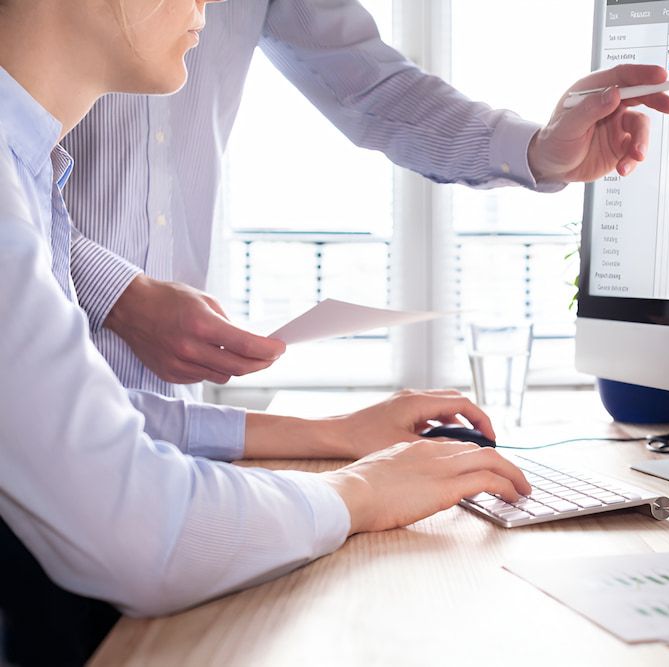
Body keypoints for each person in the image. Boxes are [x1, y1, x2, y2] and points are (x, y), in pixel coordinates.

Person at [0, 1, 533, 663]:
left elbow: (76, 419)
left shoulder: (27, 169)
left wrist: (331, 435)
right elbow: (140, 530)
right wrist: (362, 490)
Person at [63, 0, 669, 399]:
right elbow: (19, 158)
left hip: (168, 399)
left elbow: (370, 88)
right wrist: (115, 293)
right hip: (38, 370)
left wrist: (540, 150)